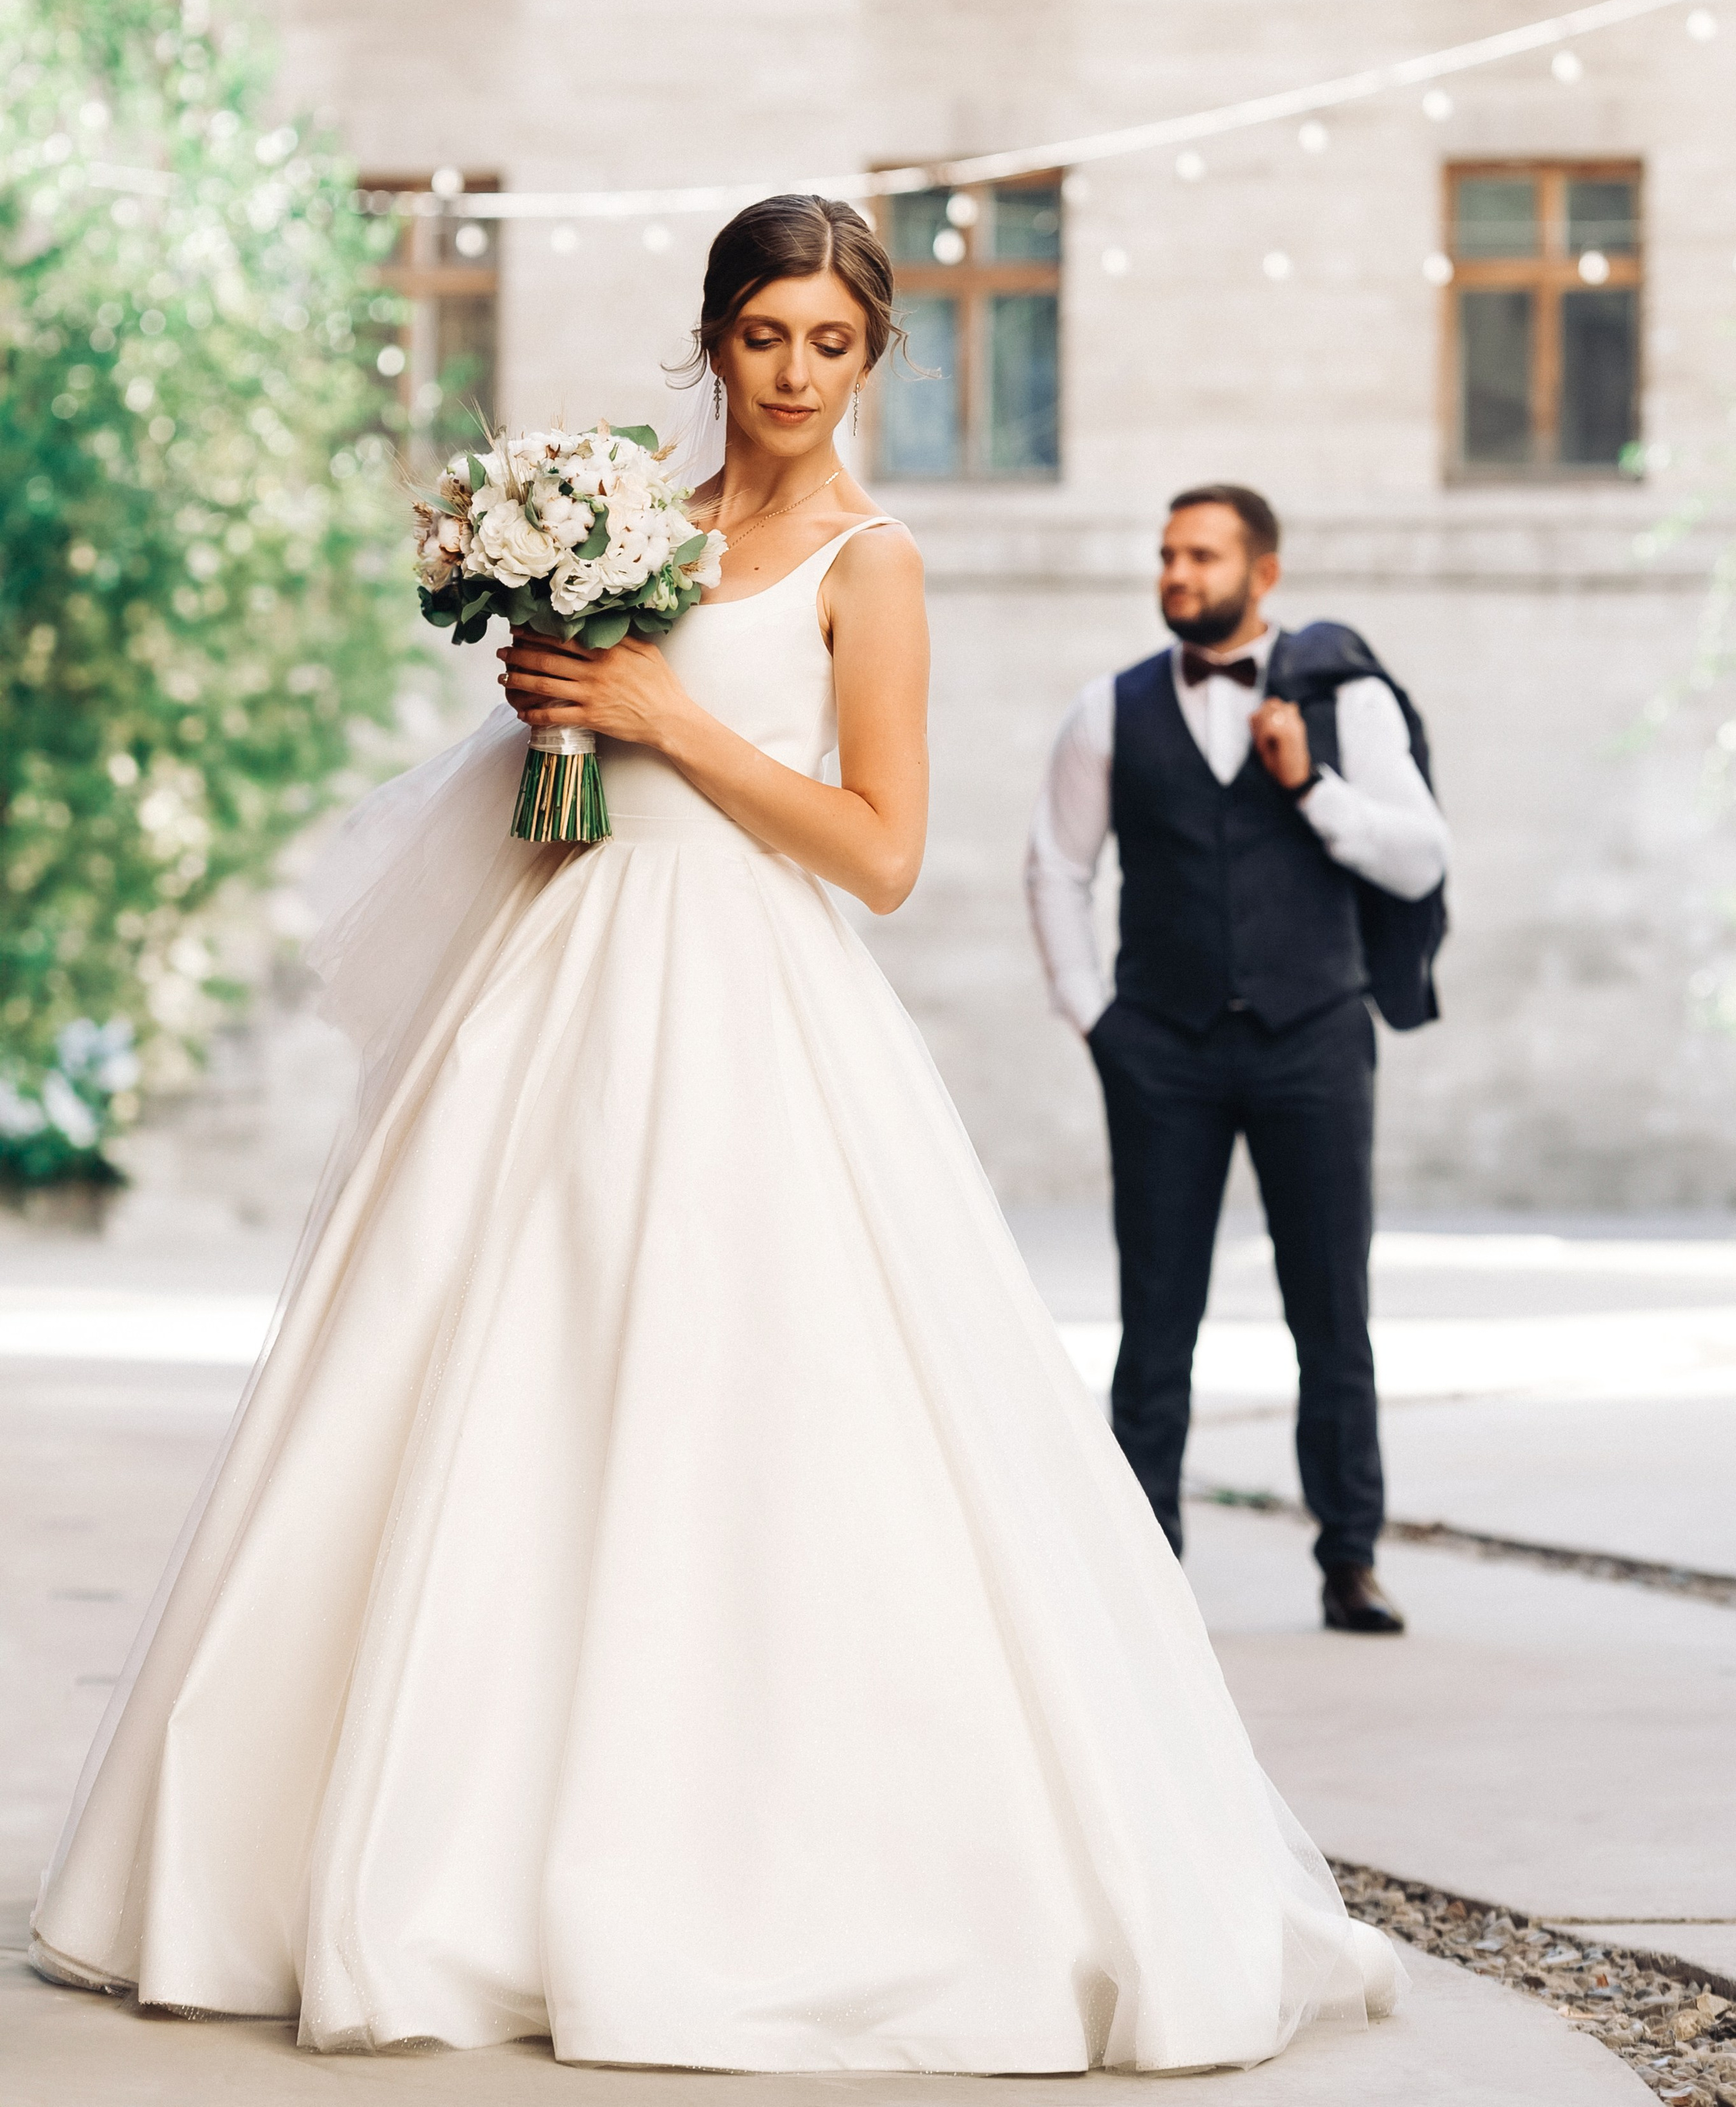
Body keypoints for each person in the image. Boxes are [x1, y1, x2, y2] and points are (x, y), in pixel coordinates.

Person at [31, 214, 1398, 2073]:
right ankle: (405, 1857)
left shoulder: (872, 562)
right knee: (482, 1394)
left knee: (745, 1416)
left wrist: (667, 709)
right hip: (560, 981)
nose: (792, 372)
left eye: (830, 340)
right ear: (712, 340)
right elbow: (563, 814)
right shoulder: (626, 535)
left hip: (755, 1002)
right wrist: (557, 720)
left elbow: (883, 853)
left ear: (871, 356)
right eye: (763, 333)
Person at [1027, 486, 1450, 1636]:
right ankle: (1145, 1562)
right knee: (1156, 1313)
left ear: (1262, 574)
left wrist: (1310, 785)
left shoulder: (1344, 699)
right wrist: (1094, 1018)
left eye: (1201, 556)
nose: (1177, 574)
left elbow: (1420, 858)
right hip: (1159, 1046)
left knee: (1331, 1307)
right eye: (1167, 554)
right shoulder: (1107, 711)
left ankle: (1350, 1557)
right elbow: (1058, 869)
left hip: (1315, 1036)